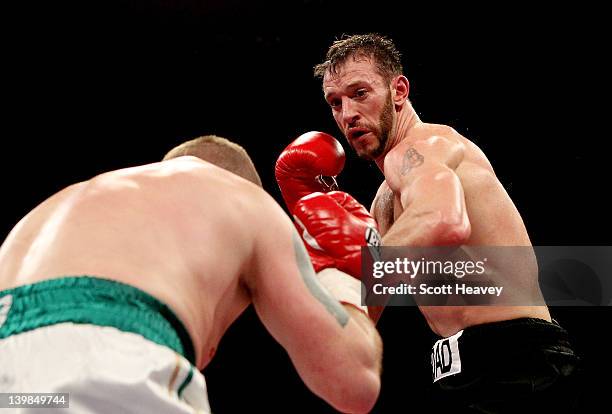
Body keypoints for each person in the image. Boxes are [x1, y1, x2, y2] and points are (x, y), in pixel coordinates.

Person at [280, 34, 579, 411]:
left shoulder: (426, 146)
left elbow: (444, 221)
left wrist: (363, 254)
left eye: (360, 93)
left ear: (399, 90)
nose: (348, 113)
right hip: (466, 372)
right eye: (335, 103)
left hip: (521, 363)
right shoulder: (384, 200)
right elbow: (363, 307)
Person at [0, 135, 382, 413]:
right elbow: (354, 381)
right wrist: (347, 272)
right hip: (108, 356)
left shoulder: (67, 202)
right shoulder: (247, 201)